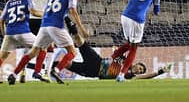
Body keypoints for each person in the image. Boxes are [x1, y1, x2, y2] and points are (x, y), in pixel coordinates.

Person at [8, 0, 89, 85]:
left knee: (33, 52)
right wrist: (81, 28)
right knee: (73, 52)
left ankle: (14, 74)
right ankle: (55, 70)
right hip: (56, 26)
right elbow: (73, 12)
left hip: (44, 25)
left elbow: (46, 10)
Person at [92, 0, 162, 82]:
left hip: (125, 16)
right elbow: (156, 10)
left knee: (129, 44)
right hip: (137, 19)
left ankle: (111, 59)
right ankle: (121, 75)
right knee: (134, 48)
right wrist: (156, 12)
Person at [28, 34, 171, 80]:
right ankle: (68, 28)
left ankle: (33, 67)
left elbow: (146, 77)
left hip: (92, 72)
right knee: (82, 44)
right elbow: (117, 52)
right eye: (140, 68)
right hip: (96, 61)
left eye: (140, 71)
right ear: (136, 64)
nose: (139, 71)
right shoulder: (124, 61)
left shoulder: (127, 76)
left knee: (64, 64)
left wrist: (160, 72)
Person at [0, 0, 46, 83]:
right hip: (23, 32)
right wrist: (45, 14)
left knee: (2, 56)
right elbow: (34, 12)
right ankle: (37, 72)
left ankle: (17, 74)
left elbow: (1, 20)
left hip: (9, 33)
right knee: (43, 47)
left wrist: (4, 34)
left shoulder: (9, 2)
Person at [25, 0, 59, 82]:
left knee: (32, 45)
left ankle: (24, 69)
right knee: (48, 46)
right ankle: (44, 72)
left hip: (29, 19)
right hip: (43, 19)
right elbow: (57, 1)